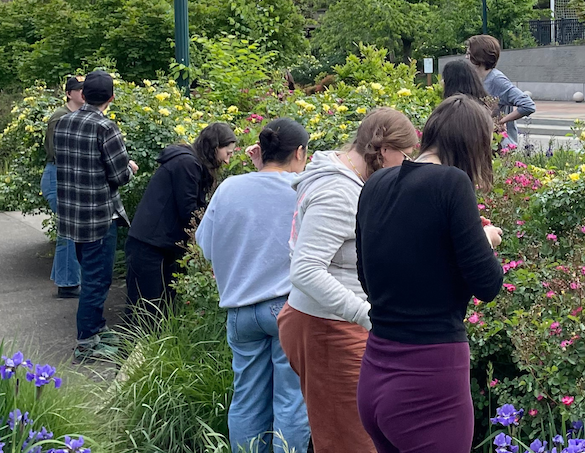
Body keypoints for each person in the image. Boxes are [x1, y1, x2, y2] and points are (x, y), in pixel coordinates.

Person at [355, 94, 504, 453]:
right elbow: (488, 284)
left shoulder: (376, 184)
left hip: (375, 372)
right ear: (473, 145)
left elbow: (367, 278)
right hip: (428, 382)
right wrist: (484, 239)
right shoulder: (451, 183)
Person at [278, 108, 418, 452]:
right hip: (328, 327)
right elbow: (306, 270)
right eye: (405, 156)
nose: (407, 166)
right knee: (350, 442)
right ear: (383, 149)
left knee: (355, 435)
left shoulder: (350, 182)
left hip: (332, 323)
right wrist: (367, 316)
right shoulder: (338, 192)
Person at [195, 117, 311, 453]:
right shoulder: (303, 190)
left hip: (240, 309)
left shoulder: (230, 188)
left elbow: (205, 244)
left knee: (246, 399)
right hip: (288, 307)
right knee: (291, 401)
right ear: (300, 152)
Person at [53, 70, 138, 362]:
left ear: (84, 94)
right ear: (111, 98)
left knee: (89, 273)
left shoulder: (63, 122)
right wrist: (130, 168)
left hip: (72, 215)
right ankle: (87, 342)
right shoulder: (106, 127)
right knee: (97, 280)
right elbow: (118, 176)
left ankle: (97, 327)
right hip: (99, 217)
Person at [125, 122, 237, 318]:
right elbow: (189, 212)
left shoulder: (189, 162)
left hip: (159, 243)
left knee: (159, 309)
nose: (228, 160)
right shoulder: (187, 164)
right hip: (151, 245)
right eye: (227, 153)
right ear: (214, 147)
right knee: (146, 311)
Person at [41, 76, 84, 299]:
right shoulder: (60, 116)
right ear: (68, 93)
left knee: (69, 230)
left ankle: (67, 280)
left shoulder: (78, 115)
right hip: (58, 174)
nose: (83, 92)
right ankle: (67, 284)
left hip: (65, 174)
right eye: (79, 89)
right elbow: (56, 150)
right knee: (69, 230)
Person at [465, 34, 535, 148]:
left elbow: (528, 105)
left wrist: (501, 122)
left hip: (500, 147)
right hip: (485, 145)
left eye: (469, 54)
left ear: (478, 56)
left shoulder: (496, 79)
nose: (466, 57)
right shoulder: (477, 79)